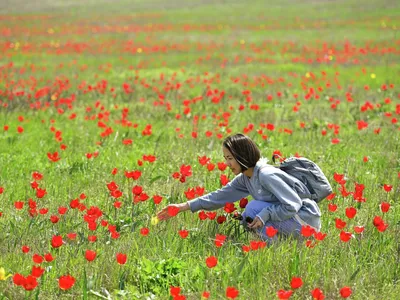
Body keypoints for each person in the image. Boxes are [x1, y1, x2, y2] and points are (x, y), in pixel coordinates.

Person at [156, 133, 321, 241]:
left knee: (253, 209)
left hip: (305, 220)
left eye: (230, 158)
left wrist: (264, 214)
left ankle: (276, 249)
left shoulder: (265, 174)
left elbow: (293, 204)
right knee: (246, 218)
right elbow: (218, 197)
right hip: (293, 220)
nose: (227, 163)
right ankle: (279, 249)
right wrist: (181, 207)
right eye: (225, 158)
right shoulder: (246, 178)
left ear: (242, 156)